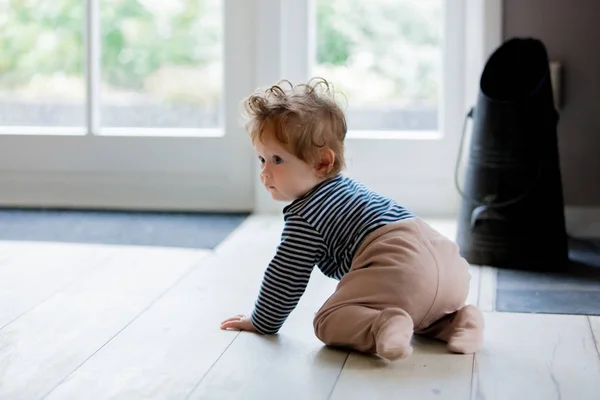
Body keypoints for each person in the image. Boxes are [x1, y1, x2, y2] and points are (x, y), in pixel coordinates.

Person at [220, 78, 484, 361]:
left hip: (402, 268)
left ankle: (381, 323)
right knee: (421, 306)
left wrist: (262, 321)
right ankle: (460, 318)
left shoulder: (305, 214)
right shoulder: (349, 191)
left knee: (328, 320)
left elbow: (286, 274)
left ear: (322, 162)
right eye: (261, 159)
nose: (265, 172)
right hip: (451, 268)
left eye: (277, 160)